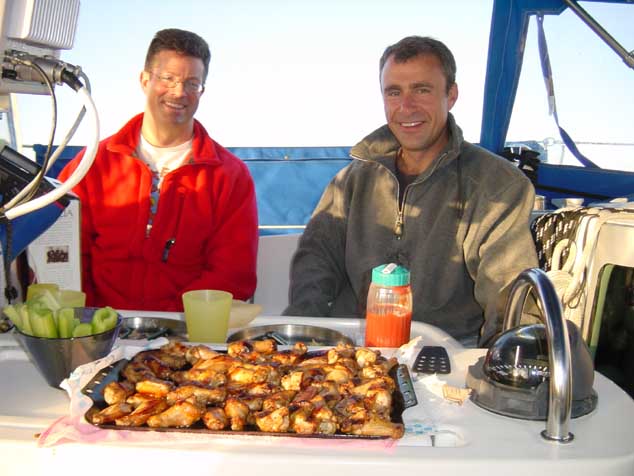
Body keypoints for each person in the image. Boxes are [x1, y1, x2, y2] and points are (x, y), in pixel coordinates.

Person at [283, 36, 538, 346]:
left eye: (421, 90)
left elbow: (507, 291)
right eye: (394, 92)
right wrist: (303, 340)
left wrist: (498, 363)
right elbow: (316, 262)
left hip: (448, 349)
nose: (406, 107)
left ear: (451, 94)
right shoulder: (350, 181)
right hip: (353, 348)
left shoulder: (497, 185)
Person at [59, 28, 258, 311]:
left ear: (202, 90)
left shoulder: (231, 176)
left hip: (187, 337)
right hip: (99, 331)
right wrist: (93, 323)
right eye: (168, 78)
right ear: (144, 80)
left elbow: (233, 274)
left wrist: (168, 328)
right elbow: (64, 257)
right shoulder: (90, 165)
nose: (179, 92)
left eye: (192, 83)